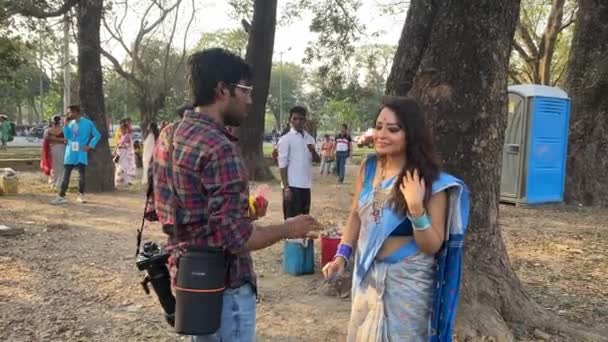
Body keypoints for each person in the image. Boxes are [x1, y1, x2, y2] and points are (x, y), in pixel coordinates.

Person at [152, 48, 322, 342]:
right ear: (222, 90)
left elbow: (170, 209)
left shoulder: (169, 134)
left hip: (188, 278)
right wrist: (288, 228)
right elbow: (237, 239)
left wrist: (241, 212)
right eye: (245, 90)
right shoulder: (220, 148)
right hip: (225, 285)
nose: (250, 100)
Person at [322, 97, 470, 341]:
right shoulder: (368, 168)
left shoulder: (430, 180)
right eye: (378, 127)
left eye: (393, 129)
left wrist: (415, 208)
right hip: (367, 273)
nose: (382, 134)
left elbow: (432, 244)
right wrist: (341, 256)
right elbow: (355, 216)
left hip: (408, 281)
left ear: (411, 134)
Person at [50, 105, 101, 205]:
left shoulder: (87, 123)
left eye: (70, 113)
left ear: (76, 112)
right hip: (70, 151)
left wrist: (90, 146)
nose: (68, 115)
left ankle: (81, 195)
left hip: (81, 151)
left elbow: (97, 135)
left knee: (81, 175)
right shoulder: (70, 124)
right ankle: (61, 196)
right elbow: (67, 137)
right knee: (66, 174)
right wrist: (65, 126)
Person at [277, 106, 321, 220]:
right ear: (290, 120)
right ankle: (290, 239)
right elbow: (282, 165)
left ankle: (302, 239)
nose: (298, 122)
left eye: (301, 119)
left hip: (305, 185)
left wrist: (312, 150)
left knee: (304, 220)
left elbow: (317, 160)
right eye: (295, 119)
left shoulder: (310, 139)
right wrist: (286, 188)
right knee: (291, 221)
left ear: (305, 120)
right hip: (292, 186)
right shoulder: (285, 139)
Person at [42, 115, 66, 189]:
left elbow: (45, 139)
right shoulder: (64, 130)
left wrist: (53, 138)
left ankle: (53, 183)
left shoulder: (48, 131)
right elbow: (66, 139)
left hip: (51, 149)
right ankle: (59, 184)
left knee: (54, 166)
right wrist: (59, 140)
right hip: (61, 148)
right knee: (61, 167)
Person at [114, 122, 137, 187]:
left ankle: (126, 181)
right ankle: (120, 181)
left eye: (123, 129)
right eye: (121, 129)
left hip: (125, 154)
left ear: (126, 129)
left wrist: (122, 146)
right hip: (121, 153)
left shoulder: (127, 136)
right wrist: (117, 148)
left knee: (124, 167)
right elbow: (118, 144)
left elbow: (129, 145)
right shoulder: (122, 136)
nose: (122, 130)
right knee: (120, 167)